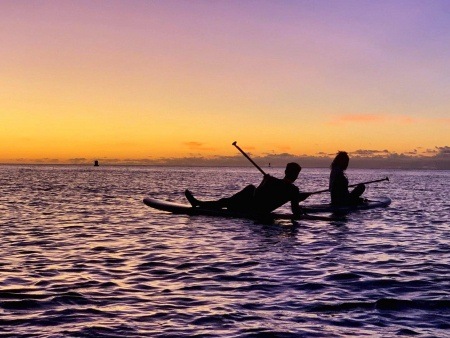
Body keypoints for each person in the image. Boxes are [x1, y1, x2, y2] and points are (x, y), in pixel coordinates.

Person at [185, 162, 311, 216]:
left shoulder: (273, 181)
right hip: (257, 209)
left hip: (252, 208)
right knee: (228, 201)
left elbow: (259, 194)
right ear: (296, 175)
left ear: (285, 172)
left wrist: (264, 181)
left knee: (243, 192)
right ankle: (200, 204)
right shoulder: (294, 190)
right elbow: (295, 211)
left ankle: (199, 204)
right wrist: (300, 203)